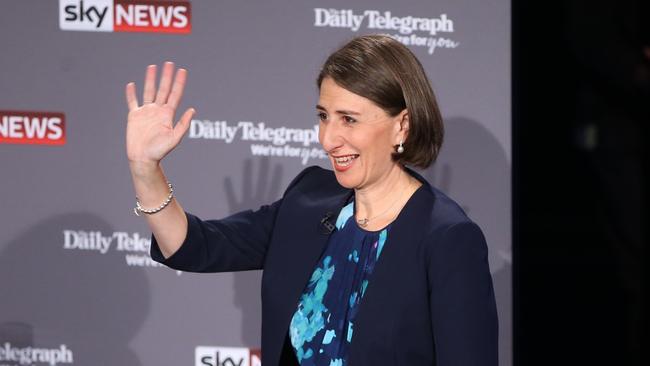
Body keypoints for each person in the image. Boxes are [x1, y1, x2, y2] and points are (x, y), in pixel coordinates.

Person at [125, 35, 498, 366]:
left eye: (349, 120)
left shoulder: (447, 238)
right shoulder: (308, 199)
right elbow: (193, 247)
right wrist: (145, 168)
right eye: (323, 116)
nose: (328, 139)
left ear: (402, 125)